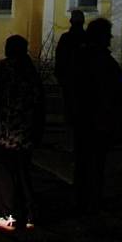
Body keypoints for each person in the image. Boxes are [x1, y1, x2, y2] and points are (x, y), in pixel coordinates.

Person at [0, 35, 45, 233]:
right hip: (25, 132)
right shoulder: (31, 71)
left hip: (6, 132)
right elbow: (39, 103)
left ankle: (7, 215)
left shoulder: (5, 70)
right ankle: (30, 214)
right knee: (24, 173)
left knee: (5, 175)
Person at [72, 18, 122, 214]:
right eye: (108, 35)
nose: (110, 38)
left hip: (82, 117)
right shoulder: (103, 60)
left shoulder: (80, 56)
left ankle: (81, 199)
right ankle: (92, 200)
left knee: (83, 160)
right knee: (95, 162)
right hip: (98, 118)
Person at [55, 9, 86, 150]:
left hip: (68, 81)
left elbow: (60, 59)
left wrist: (60, 77)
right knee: (82, 113)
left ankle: (69, 142)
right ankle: (80, 142)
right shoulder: (87, 38)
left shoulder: (66, 38)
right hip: (83, 82)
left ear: (70, 21)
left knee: (68, 114)